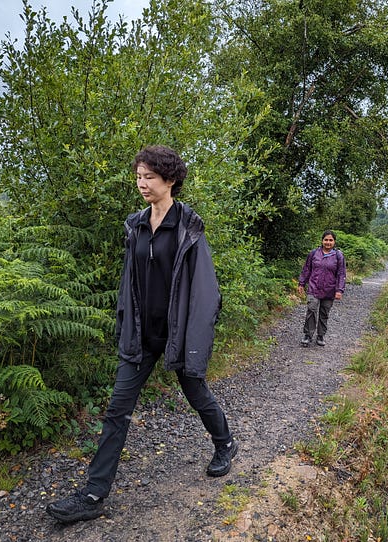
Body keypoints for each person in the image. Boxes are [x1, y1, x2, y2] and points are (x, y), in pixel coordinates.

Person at [46, 145, 237, 524]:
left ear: (170, 179)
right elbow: (128, 283)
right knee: (117, 410)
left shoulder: (188, 228)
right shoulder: (135, 226)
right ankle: (93, 494)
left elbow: (205, 294)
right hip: (141, 338)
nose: (142, 183)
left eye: (149, 176)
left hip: (177, 337)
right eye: (138, 176)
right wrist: (124, 322)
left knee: (197, 394)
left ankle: (225, 444)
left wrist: (196, 346)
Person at [297, 230, 346, 347]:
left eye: (330, 240)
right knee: (311, 309)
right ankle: (308, 335)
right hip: (314, 287)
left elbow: (341, 274)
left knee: (324, 313)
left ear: (334, 242)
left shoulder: (338, 256)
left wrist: (339, 290)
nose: (328, 242)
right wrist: (301, 283)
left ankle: (320, 335)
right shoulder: (314, 253)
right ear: (322, 241)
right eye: (326, 240)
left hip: (329, 290)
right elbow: (307, 269)